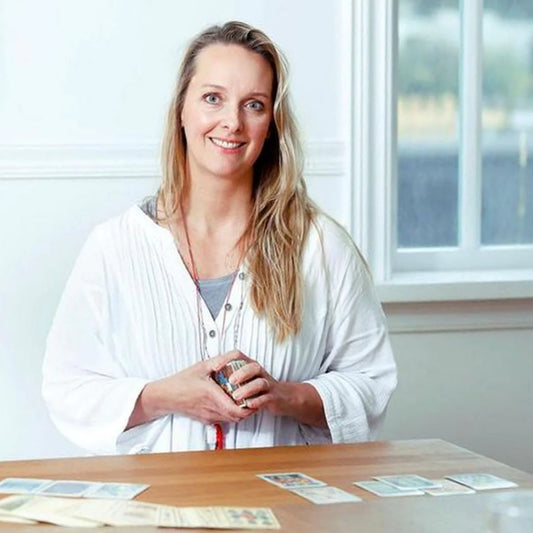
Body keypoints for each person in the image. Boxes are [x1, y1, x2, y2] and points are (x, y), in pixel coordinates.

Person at [42, 21, 397, 455]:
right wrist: (164, 396)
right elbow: (67, 387)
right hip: (160, 496)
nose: (232, 122)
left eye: (254, 105)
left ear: (272, 124)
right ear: (181, 110)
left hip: (281, 495)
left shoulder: (321, 248)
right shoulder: (113, 248)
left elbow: (371, 383)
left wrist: (283, 396)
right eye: (213, 98)